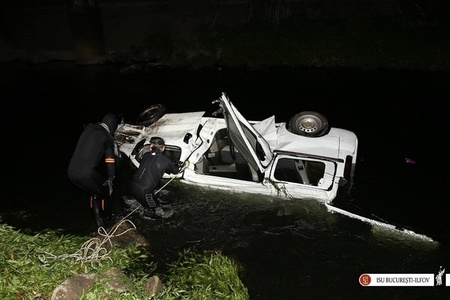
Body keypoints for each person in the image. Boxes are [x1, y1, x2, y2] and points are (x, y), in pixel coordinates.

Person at [67, 113, 118, 229]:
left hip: (71, 172)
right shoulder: (108, 138)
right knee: (106, 193)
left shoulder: (89, 127)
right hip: (87, 174)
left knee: (95, 192)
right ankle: (109, 220)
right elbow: (109, 160)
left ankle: (98, 223)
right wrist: (111, 178)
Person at [127, 136, 186, 210]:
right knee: (155, 210)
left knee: (135, 204)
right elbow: (175, 171)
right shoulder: (164, 160)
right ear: (163, 148)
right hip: (144, 192)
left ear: (151, 146)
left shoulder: (146, 155)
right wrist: (182, 165)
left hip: (131, 185)